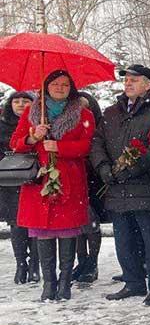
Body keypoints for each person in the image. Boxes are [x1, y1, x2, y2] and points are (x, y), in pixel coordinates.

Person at [91, 64, 150, 305]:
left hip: (147, 188)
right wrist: (103, 168)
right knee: (124, 239)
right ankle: (134, 281)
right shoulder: (111, 112)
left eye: (134, 80)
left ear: (148, 84)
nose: (128, 83)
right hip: (117, 188)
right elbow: (97, 142)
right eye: (126, 80)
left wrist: (131, 170)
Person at [11, 71, 96, 301]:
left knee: (67, 230)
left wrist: (60, 147)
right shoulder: (32, 112)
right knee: (43, 231)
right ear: (46, 86)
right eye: (55, 84)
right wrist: (33, 138)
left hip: (69, 179)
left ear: (72, 88)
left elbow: (88, 145)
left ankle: (65, 282)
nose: (60, 88)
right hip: (39, 181)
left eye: (65, 84)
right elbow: (16, 144)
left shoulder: (84, 113)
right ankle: (49, 284)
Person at [1, 91, 39, 285]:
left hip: (32, 179)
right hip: (9, 182)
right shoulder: (2, 126)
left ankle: (34, 264)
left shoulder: (37, 123)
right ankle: (21, 264)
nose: (21, 104)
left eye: (25, 101)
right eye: (16, 101)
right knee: (16, 225)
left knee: (34, 224)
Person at [71, 91, 105, 285]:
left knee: (91, 223)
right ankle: (82, 261)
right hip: (76, 177)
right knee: (78, 224)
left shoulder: (98, 126)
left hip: (93, 180)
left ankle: (92, 262)